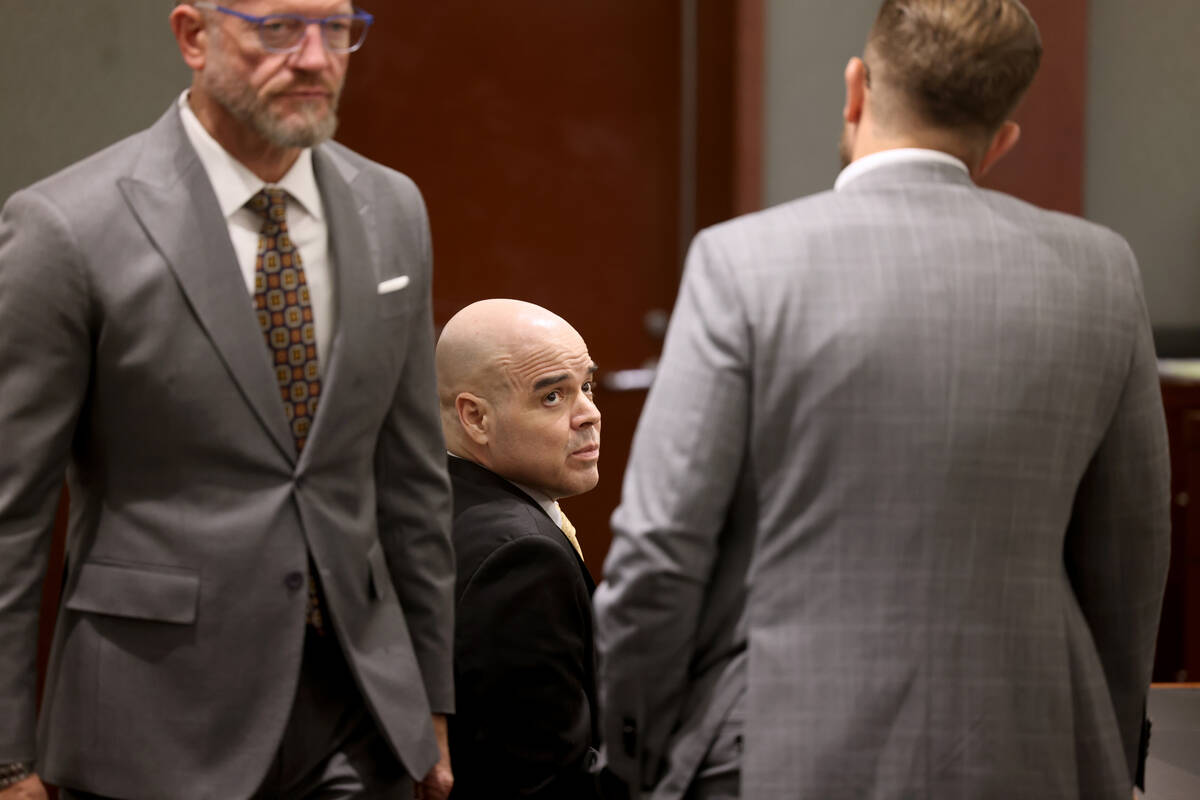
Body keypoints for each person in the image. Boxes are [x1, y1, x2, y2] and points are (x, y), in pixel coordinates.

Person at [593, 1, 1171, 798]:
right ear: (1000, 141)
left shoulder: (742, 263)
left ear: (856, 89)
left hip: (782, 751)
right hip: (1032, 752)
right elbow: (1130, 561)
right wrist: (1098, 746)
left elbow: (660, 548)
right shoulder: (1104, 273)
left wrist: (635, 746)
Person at [0, 2, 455, 798]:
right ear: (192, 36)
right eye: (278, 28)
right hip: (154, 717)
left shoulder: (394, 209)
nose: (315, 58)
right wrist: (6, 761)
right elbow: (11, 519)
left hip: (359, 708)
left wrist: (434, 705)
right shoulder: (66, 228)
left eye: (337, 28)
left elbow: (413, 479)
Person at [435, 299, 603, 799]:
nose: (589, 414)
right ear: (476, 418)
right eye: (553, 396)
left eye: (587, 386)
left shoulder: (433, 495)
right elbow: (542, 778)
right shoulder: (521, 557)